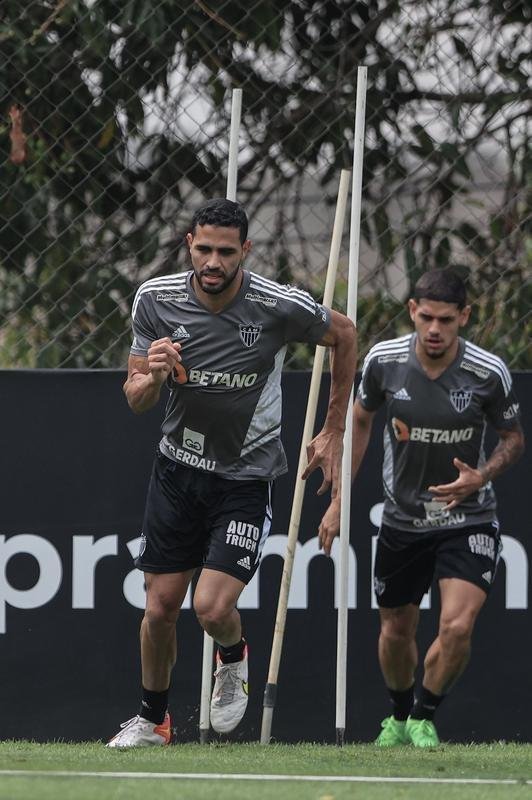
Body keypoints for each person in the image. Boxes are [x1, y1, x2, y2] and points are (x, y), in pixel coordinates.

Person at [107, 198, 357, 747]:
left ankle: (232, 656)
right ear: (189, 246)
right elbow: (135, 400)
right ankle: (153, 721)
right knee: (159, 608)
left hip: (246, 476)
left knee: (213, 606)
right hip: (177, 471)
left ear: (245, 250)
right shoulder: (155, 300)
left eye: (225, 251)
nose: (213, 262)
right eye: (204, 249)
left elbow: (345, 333)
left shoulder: (273, 304)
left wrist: (333, 427)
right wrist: (151, 376)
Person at [319, 268, 524, 748]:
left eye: (446, 320)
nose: (434, 330)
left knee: (457, 626)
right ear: (412, 311)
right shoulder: (384, 362)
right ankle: (398, 715)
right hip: (402, 520)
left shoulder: (487, 372)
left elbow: (513, 440)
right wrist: (338, 502)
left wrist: (482, 475)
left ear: (464, 318)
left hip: (467, 517)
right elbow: (362, 420)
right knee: (395, 630)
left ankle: (424, 714)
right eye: (426, 317)